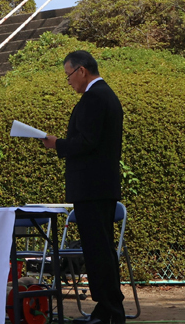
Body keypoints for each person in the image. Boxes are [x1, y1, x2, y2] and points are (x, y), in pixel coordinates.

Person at [41, 50, 125, 324]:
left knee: (98, 249)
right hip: (99, 186)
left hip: (92, 186)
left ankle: (110, 311)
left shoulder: (95, 97)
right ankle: (107, 308)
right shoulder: (104, 95)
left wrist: (57, 144)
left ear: (82, 71)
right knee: (100, 249)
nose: (68, 82)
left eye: (69, 76)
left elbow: (87, 141)